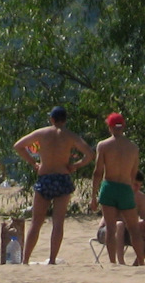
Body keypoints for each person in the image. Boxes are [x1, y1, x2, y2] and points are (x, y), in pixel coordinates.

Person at [13, 107, 91, 264]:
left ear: (52, 119)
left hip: (45, 177)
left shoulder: (42, 133)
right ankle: (52, 259)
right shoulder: (70, 136)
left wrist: (33, 162)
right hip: (62, 177)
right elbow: (90, 153)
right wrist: (76, 165)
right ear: (65, 120)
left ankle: (25, 259)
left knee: (36, 222)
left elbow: (18, 146)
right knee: (58, 222)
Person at [90, 112, 141, 264]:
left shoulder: (104, 145)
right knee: (133, 228)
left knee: (111, 228)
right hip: (125, 187)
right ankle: (141, 261)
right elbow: (134, 173)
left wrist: (93, 196)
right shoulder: (133, 148)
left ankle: (112, 262)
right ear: (123, 126)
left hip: (109, 186)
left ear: (110, 127)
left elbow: (97, 172)